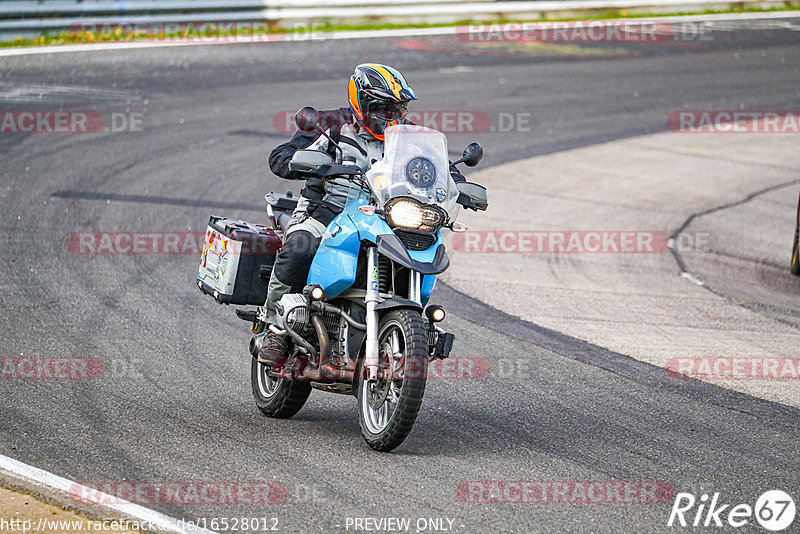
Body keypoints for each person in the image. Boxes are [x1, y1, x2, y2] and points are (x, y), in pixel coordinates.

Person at [259, 63, 461, 365]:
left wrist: (456, 181)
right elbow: (281, 157)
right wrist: (305, 162)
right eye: (380, 108)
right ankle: (276, 328)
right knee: (301, 247)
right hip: (327, 211)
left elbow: (438, 168)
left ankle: (408, 327)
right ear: (360, 101)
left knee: (420, 253)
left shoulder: (409, 137)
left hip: (385, 217)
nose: (388, 116)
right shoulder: (330, 126)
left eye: (396, 109)